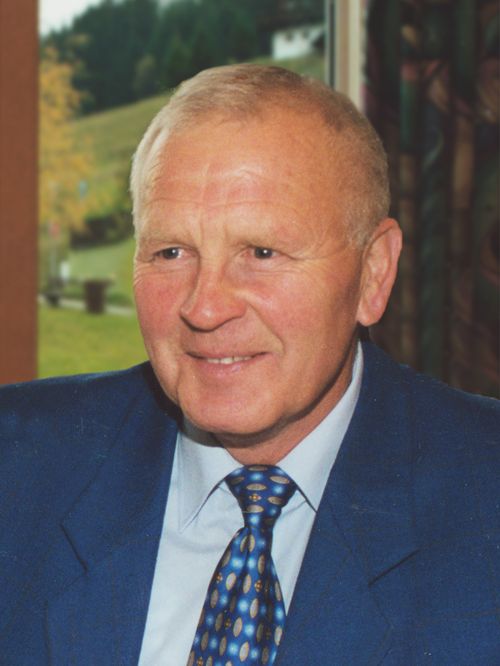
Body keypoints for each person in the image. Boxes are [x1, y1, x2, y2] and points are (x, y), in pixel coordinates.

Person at [1, 64, 499, 666]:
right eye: (171, 251)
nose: (204, 307)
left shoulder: (483, 498)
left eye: (262, 252)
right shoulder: (16, 468)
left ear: (374, 273)